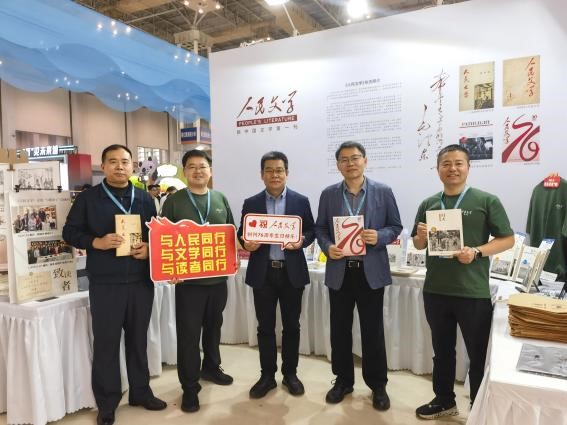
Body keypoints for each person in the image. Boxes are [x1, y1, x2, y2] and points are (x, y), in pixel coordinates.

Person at [62, 144, 166, 425]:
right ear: (104, 166)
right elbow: (69, 232)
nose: (120, 166)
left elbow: (156, 234)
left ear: (133, 165)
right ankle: (107, 403)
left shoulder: (144, 198)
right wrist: (95, 242)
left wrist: (150, 249)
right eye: (113, 161)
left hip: (141, 282)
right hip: (106, 283)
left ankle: (141, 392)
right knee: (106, 344)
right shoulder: (88, 199)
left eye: (125, 161)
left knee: (138, 341)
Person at [412, 144, 514, 419]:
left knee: (478, 353)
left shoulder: (486, 200)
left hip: (472, 291)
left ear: (468, 167)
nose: (452, 168)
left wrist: (477, 251)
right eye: (446, 164)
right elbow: (419, 245)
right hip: (435, 290)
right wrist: (420, 236)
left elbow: (507, 239)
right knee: (442, 351)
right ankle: (444, 400)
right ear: (438, 169)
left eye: (458, 163)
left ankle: (479, 409)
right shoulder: (429, 204)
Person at [315, 141, 402, 411]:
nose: (350, 163)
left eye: (355, 158)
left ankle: (378, 385)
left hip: (370, 272)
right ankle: (343, 381)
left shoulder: (383, 191)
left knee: (372, 331)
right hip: (340, 272)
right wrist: (327, 246)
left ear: (365, 160)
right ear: (338, 165)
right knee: (339, 330)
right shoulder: (329, 194)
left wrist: (380, 236)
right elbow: (320, 229)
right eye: (344, 159)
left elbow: (395, 226)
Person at [160, 149, 235, 413]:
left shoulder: (220, 198)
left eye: (202, 166)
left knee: (214, 328)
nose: (198, 171)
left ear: (210, 171)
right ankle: (190, 387)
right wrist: (168, 268)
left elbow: (230, 233)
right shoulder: (174, 201)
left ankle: (212, 368)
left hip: (217, 281)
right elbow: (163, 239)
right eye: (191, 166)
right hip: (188, 284)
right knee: (189, 336)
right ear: (185, 172)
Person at [237, 151, 315, 399]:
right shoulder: (251, 203)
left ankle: (290, 374)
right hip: (263, 273)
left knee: (292, 326)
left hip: (292, 273)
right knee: (265, 328)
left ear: (286, 173)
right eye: (269, 170)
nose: (274, 175)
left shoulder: (300, 201)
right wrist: (246, 243)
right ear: (262, 175)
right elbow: (242, 232)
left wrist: (302, 241)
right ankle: (267, 376)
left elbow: (311, 230)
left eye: (279, 170)